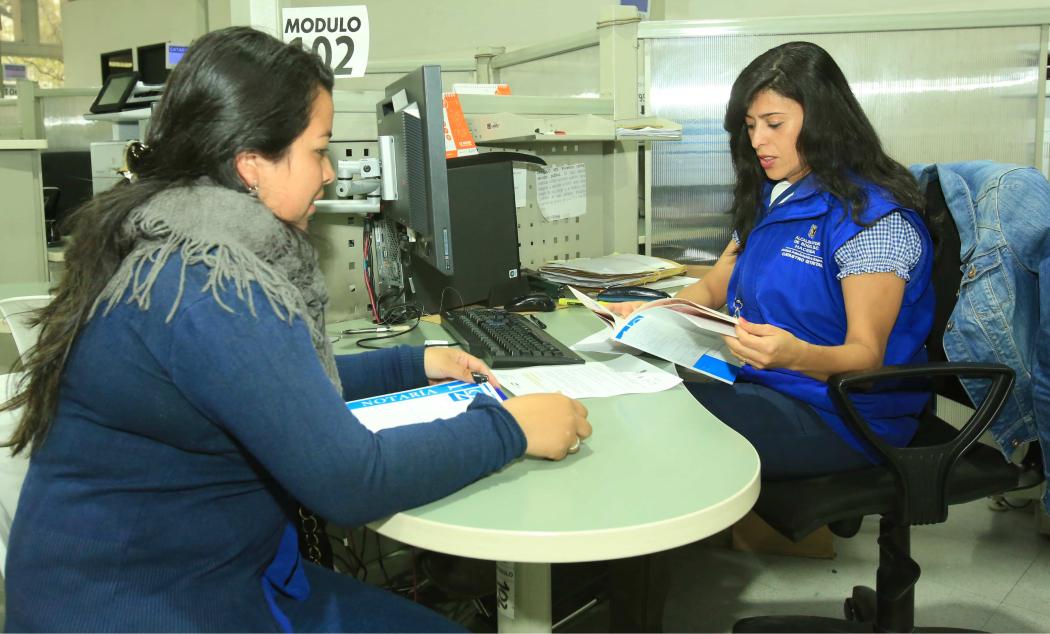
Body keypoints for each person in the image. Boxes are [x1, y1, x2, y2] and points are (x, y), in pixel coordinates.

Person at [1, 27, 591, 632]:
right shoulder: (212, 283)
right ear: (250, 164)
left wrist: (414, 364)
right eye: (318, 150)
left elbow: (266, 387)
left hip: (181, 572)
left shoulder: (180, 240)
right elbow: (351, 482)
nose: (331, 173)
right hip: (141, 607)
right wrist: (510, 429)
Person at [612, 41, 933, 480]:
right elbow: (714, 286)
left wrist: (794, 355)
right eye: (750, 126)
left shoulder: (872, 221)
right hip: (768, 388)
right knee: (636, 398)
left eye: (774, 124)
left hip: (843, 418)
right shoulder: (775, 195)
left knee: (655, 425)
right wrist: (651, 315)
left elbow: (867, 359)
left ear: (823, 120)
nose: (758, 140)